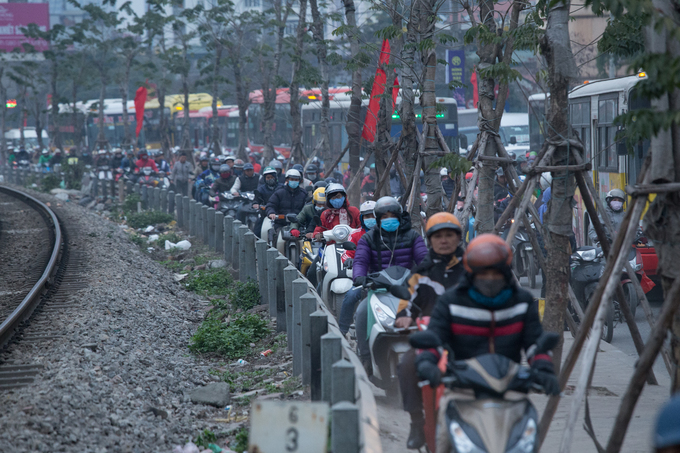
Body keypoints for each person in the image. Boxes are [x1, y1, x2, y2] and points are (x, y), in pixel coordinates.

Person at [414, 234, 559, 451]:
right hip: (463, 392)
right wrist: (426, 362)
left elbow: (534, 344)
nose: (490, 278)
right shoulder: (451, 301)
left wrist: (544, 369)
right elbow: (435, 339)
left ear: (506, 271)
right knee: (442, 442)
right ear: (471, 273)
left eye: (495, 272)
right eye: (483, 273)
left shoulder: (522, 301)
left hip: (512, 392)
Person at [395, 212, 465, 449]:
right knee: (406, 366)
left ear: (459, 238)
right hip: (430, 340)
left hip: (468, 337)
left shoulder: (473, 269)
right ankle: (416, 421)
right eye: (438, 236)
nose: (444, 241)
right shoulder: (420, 272)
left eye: (449, 235)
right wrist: (403, 317)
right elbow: (406, 303)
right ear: (430, 240)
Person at [352, 197, 428, 372]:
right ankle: (365, 357)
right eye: (384, 216)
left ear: (399, 217)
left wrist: (427, 274)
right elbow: (361, 261)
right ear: (378, 219)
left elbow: (424, 259)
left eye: (392, 215)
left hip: (408, 289)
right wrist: (360, 276)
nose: (389, 219)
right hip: (377, 289)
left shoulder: (412, 236)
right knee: (362, 312)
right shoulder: (369, 238)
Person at [338, 200, 376, 335]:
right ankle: (342, 330)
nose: (371, 219)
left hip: (387, 277)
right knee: (351, 295)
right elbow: (346, 253)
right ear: (362, 218)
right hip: (363, 278)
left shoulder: (388, 235)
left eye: (373, 215)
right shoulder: (355, 235)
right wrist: (348, 260)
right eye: (367, 216)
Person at [253, 166, 282, 237]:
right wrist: (256, 204)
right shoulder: (260, 189)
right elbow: (256, 200)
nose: (270, 179)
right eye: (268, 178)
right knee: (257, 231)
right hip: (265, 215)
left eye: (272, 177)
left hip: (280, 215)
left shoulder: (282, 188)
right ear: (264, 179)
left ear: (275, 177)